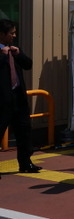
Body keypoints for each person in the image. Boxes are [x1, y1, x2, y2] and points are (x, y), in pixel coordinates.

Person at [0, 19, 41, 174]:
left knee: (24, 131)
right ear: (2, 34)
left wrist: (19, 54)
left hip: (18, 97)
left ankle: (25, 163)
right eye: (12, 33)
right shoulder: (2, 53)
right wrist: (3, 57)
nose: (14, 36)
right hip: (2, 100)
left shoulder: (14, 50)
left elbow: (28, 65)